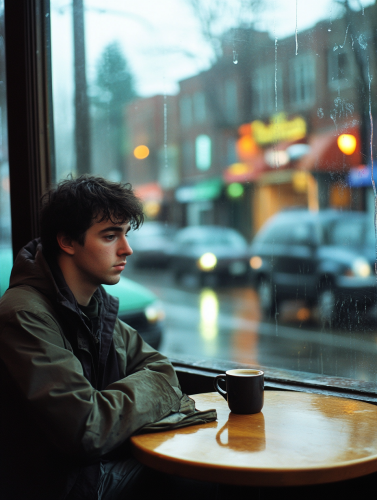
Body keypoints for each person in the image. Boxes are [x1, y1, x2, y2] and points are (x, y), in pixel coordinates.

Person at [0, 175, 217, 500]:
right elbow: (86, 428)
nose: (126, 249)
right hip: (57, 484)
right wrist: (152, 391)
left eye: (126, 234)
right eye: (110, 236)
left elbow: (160, 367)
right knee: (200, 477)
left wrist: (123, 403)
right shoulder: (24, 313)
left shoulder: (93, 305)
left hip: (92, 468)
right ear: (67, 241)